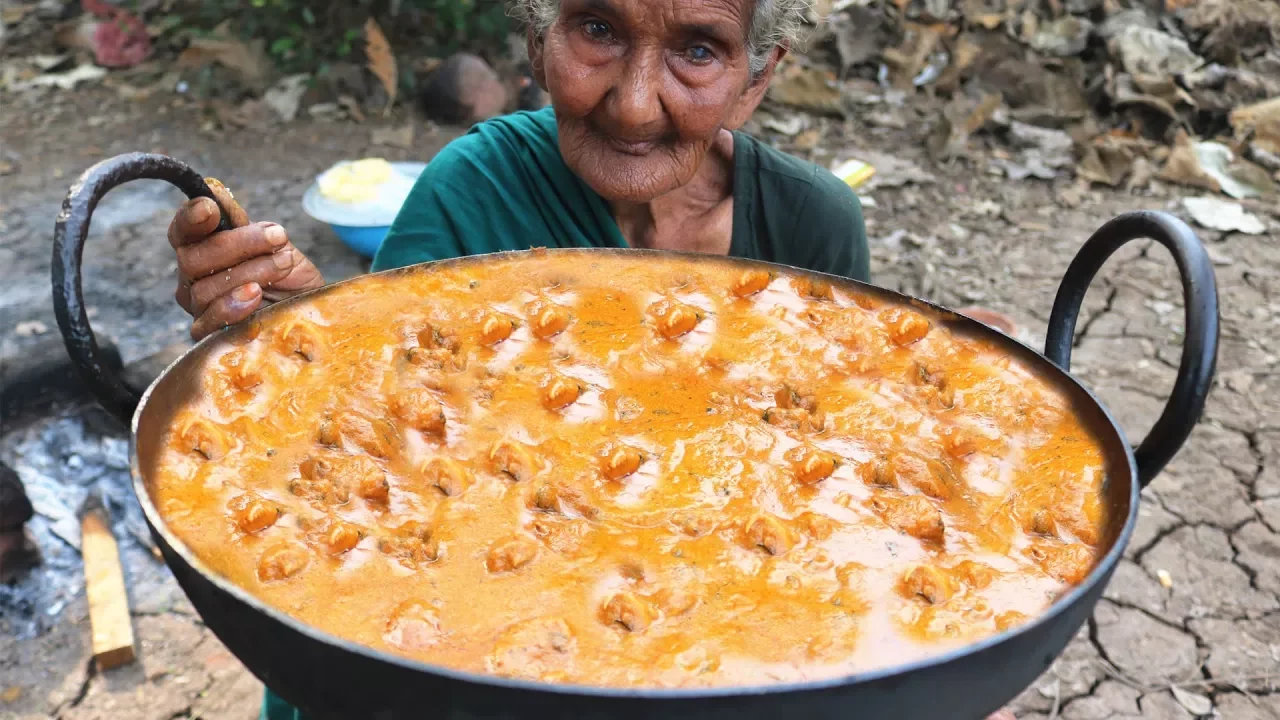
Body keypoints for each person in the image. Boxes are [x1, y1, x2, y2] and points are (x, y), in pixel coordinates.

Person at [165, 1, 1017, 718]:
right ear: (538, 41)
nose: (637, 105)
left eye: (697, 50)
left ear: (754, 80)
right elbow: (378, 463)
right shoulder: (473, 188)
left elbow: (821, 477)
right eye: (598, 29)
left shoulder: (812, 224)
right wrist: (301, 334)